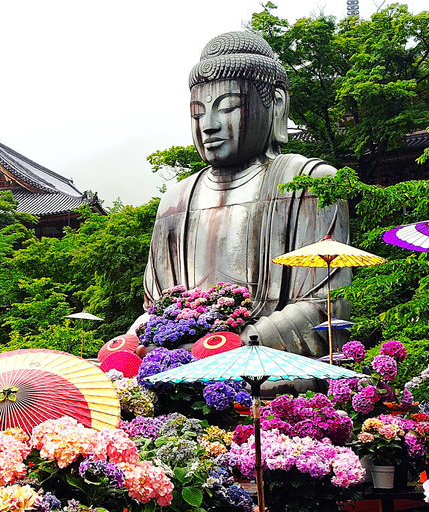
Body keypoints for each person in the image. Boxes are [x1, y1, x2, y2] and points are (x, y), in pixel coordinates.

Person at [140, 30, 350, 357]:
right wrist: (136, 340)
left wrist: (232, 347)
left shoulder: (310, 182)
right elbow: (156, 310)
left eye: (229, 108)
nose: (208, 125)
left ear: (276, 104)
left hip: (266, 363)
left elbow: (326, 309)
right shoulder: (176, 201)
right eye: (197, 113)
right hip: (180, 360)